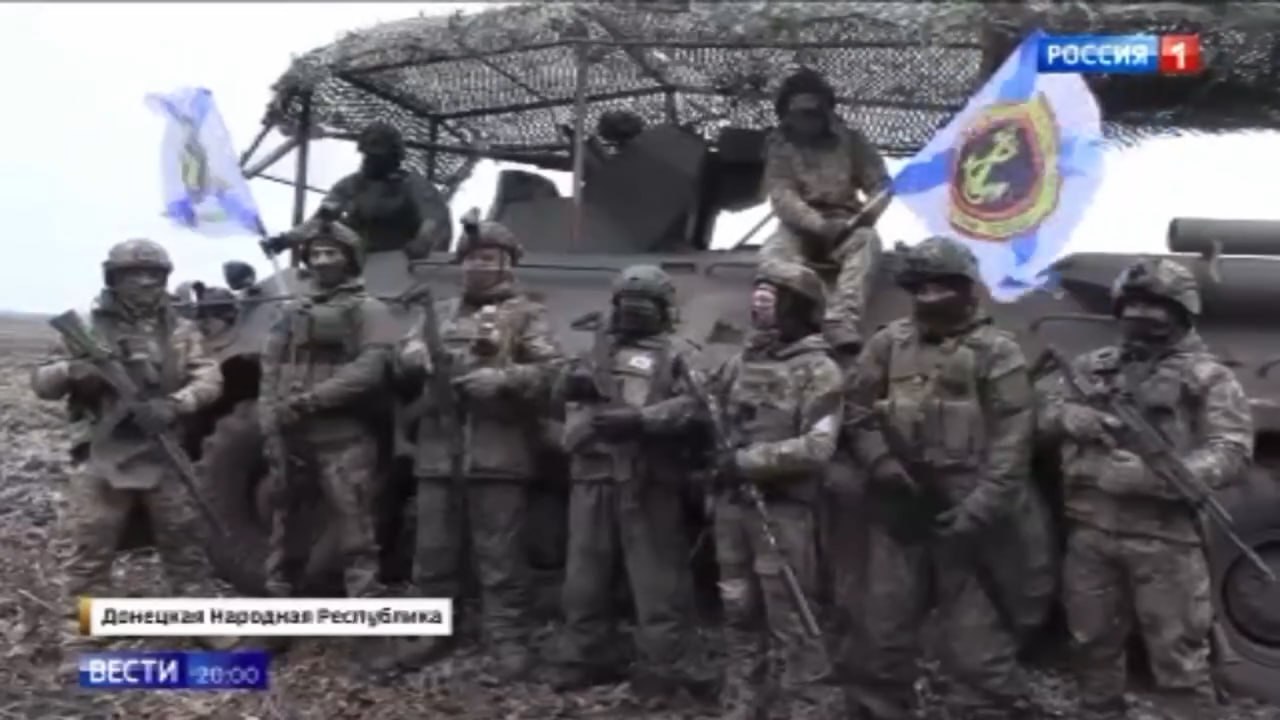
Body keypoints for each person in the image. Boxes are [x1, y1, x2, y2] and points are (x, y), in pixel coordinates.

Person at [1036, 258, 1253, 720]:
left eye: (1154, 306)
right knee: (1091, 648)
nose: (1140, 314)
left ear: (1180, 312)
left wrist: (1153, 477)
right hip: (1091, 532)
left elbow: (1231, 451)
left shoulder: (1209, 377)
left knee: (1179, 661)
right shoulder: (1094, 367)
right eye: (1131, 305)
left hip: (1165, 540)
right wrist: (1070, 417)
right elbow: (1042, 413)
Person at [840, 236, 1037, 719]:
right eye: (921, 288)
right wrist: (881, 464)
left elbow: (1012, 444)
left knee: (976, 643)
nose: (930, 297)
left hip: (968, 510)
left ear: (966, 289)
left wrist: (978, 510)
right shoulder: (888, 344)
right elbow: (856, 413)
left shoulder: (997, 353)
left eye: (941, 287)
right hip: (898, 506)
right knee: (882, 630)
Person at [654, 259, 844, 718]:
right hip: (732, 509)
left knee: (791, 614)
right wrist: (645, 416)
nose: (760, 303)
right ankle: (744, 699)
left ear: (798, 307)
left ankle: (806, 706)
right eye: (759, 293)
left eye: (773, 295)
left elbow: (818, 446)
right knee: (737, 607)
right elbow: (699, 405)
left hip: (782, 513)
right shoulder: (740, 363)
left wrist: (746, 462)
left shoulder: (819, 370)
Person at [30, 238, 229, 668]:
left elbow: (210, 379)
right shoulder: (86, 327)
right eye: (133, 274)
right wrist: (77, 370)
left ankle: (200, 620)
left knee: (186, 543)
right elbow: (43, 384)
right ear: (114, 279)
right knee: (91, 547)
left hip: (162, 451)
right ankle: (83, 631)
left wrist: (176, 405)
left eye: (154, 275)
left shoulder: (181, 330)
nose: (145, 282)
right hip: (104, 455)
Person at [390, 211, 563, 681]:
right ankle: (429, 631)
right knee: (433, 550)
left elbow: (553, 371)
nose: (478, 266)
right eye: (471, 258)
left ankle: (507, 637)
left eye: (488, 258)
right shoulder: (440, 312)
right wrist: (415, 355)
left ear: (507, 264)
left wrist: (504, 379)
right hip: (438, 451)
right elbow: (402, 357)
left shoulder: (527, 314)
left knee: (500, 554)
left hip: (497, 451)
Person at [548, 265, 714, 706]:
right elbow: (554, 398)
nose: (634, 312)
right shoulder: (593, 347)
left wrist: (644, 419)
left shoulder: (679, 353)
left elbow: (700, 407)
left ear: (664, 310)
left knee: (658, 582)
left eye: (645, 305)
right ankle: (584, 656)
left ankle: (667, 668)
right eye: (627, 304)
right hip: (593, 474)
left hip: (648, 479)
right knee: (583, 578)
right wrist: (569, 382)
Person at [258, 219, 396, 604]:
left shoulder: (369, 310)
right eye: (315, 253)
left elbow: (370, 368)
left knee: (355, 528)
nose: (321, 261)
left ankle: (365, 612)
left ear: (349, 259)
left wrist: (313, 400)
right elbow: (270, 366)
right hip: (292, 435)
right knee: (287, 525)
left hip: (342, 435)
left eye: (331, 253)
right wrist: (268, 419)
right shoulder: (292, 311)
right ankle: (279, 607)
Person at [760, 67, 893, 359]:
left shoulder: (852, 142)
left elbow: (881, 185)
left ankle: (841, 321)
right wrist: (818, 225)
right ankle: (807, 300)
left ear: (826, 110)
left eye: (812, 110)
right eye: (796, 112)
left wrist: (869, 213)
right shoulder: (779, 146)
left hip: (845, 222)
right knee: (771, 258)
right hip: (798, 227)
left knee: (867, 242)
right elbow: (782, 195)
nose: (805, 118)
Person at [305, 121, 451, 258]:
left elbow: (434, 219)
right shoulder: (351, 184)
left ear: (394, 157)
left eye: (377, 156)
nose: (370, 161)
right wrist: (302, 236)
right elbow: (323, 215)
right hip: (359, 260)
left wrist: (423, 240)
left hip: (401, 260)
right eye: (367, 155)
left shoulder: (413, 184)